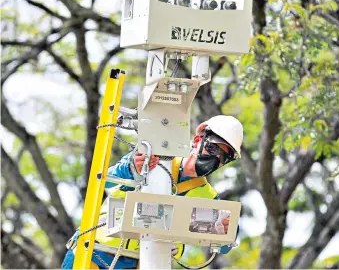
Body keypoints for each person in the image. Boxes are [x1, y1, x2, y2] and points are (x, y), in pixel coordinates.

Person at [61, 115, 243, 269]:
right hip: (90, 255)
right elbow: (104, 180)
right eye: (213, 148)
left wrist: (227, 230)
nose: (215, 158)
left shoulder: (206, 196)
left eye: (223, 157)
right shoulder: (155, 158)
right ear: (197, 140)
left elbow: (227, 242)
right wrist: (131, 168)